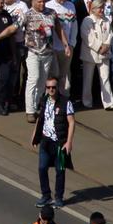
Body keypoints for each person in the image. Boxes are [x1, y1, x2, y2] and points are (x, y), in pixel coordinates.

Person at [32, 76, 76, 207]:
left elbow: (71, 122)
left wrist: (69, 142)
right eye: (48, 87)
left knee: (60, 170)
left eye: (53, 87)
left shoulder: (66, 102)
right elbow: (40, 119)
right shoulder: (44, 100)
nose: (51, 90)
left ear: (58, 88)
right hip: (45, 141)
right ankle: (46, 195)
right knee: (42, 168)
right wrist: (35, 136)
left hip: (59, 143)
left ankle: (59, 197)